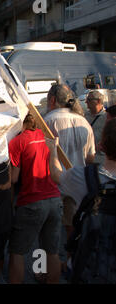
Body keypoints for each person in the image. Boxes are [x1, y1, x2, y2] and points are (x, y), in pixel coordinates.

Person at [46, 119, 116, 283]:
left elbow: (56, 175)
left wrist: (53, 150)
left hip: (90, 266)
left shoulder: (84, 177)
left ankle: (39, 270)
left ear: (101, 145)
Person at [7, 113, 62, 284]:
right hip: (54, 198)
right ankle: (41, 275)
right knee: (50, 250)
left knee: (17, 251)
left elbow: (14, 178)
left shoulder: (17, 142)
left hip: (32, 201)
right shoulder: (47, 137)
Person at [44, 84, 95, 252]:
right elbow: (90, 158)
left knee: (45, 233)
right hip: (76, 183)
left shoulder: (47, 121)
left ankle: (43, 268)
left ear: (52, 100)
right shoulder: (84, 122)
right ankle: (71, 261)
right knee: (72, 228)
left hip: (52, 184)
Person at [84, 90, 106, 164]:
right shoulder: (84, 116)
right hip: (88, 156)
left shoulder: (107, 117)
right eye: (86, 100)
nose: (86, 102)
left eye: (89, 100)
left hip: (102, 157)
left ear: (98, 101)